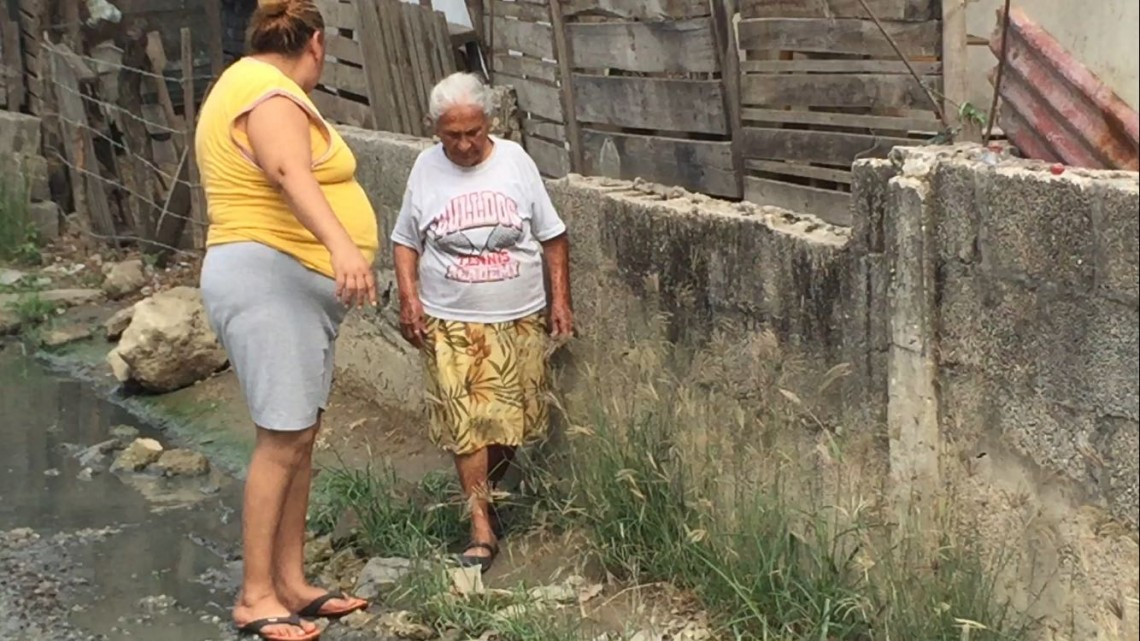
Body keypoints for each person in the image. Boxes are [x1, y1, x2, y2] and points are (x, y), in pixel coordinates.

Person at [195, 0, 375, 638]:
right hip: (269, 279)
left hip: (283, 284)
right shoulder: (268, 92)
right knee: (281, 442)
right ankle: (255, 595)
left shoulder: (246, 83)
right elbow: (288, 170)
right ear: (317, 44)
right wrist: (343, 246)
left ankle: (292, 580)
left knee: (298, 436)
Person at [391, 72, 573, 574]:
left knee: (509, 425)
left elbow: (553, 236)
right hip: (451, 319)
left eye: (473, 132)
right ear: (436, 130)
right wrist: (409, 298)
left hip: (517, 316)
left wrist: (561, 301)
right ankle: (480, 529)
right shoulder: (426, 169)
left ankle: (484, 496)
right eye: (453, 135)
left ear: (488, 123)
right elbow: (405, 240)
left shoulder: (515, 162)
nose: (466, 144)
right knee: (468, 426)